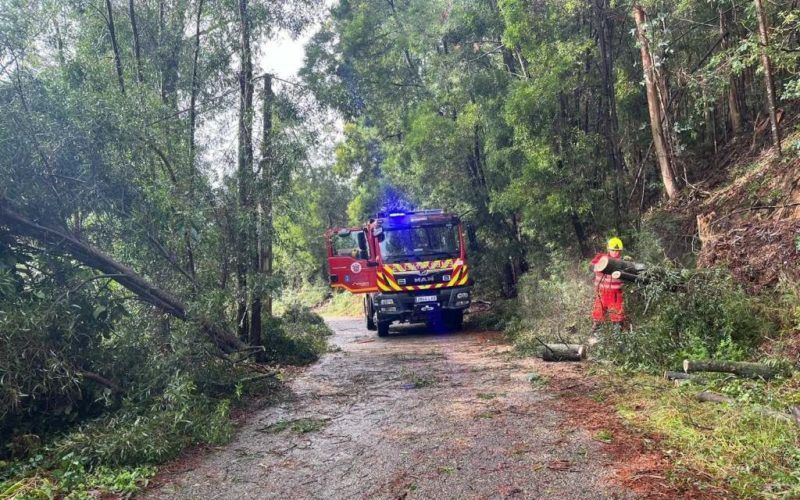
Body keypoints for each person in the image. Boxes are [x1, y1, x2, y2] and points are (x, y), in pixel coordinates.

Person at [589, 237, 625, 335]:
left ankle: (619, 340)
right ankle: (594, 338)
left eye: (618, 251)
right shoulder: (601, 258)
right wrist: (599, 265)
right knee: (598, 317)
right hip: (601, 293)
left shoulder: (623, 263)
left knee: (618, 318)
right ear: (609, 249)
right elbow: (592, 265)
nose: (616, 253)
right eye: (613, 250)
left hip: (616, 295)